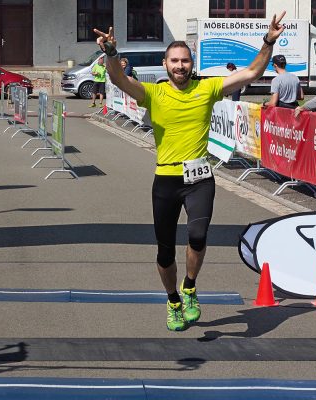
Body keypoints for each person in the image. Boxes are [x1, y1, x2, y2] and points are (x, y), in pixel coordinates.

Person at [93, 11, 286, 331]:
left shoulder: (207, 89)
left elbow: (251, 72)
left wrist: (267, 41)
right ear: (166, 65)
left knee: (197, 237)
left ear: (191, 63)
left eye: (185, 60)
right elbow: (118, 80)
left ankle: (191, 288)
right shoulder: (153, 93)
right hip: (166, 180)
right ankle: (172, 300)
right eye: (174, 61)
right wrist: (111, 53)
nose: (180, 65)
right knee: (165, 250)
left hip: (200, 179)